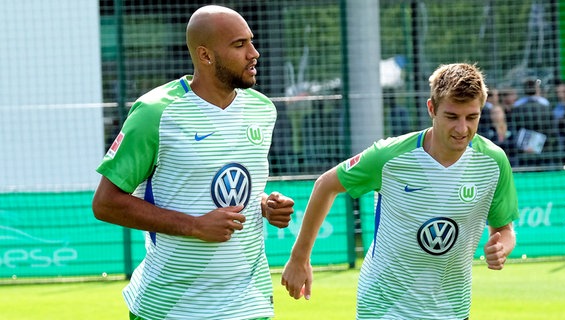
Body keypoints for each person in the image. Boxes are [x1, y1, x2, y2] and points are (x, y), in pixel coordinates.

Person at [92, 5, 295, 320]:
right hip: (171, 307)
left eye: (251, 42)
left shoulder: (263, 110)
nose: (254, 53)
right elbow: (105, 203)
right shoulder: (155, 113)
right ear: (205, 55)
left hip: (249, 304)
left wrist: (266, 204)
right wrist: (195, 226)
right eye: (239, 45)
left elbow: (238, 187)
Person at [281, 63, 518, 319]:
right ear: (432, 109)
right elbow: (326, 185)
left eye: (472, 117)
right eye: (452, 117)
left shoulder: (493, 161)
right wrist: (299, 257)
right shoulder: (389, 156)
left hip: (452, 308)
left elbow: (504, 230)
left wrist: (502, 247)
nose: (462, 129)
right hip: (384, 307)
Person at [509, 78, 559, 167]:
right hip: (544, 149)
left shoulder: (517, 107)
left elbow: (514, 129)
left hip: (523, 150)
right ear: (537, 89)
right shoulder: (546, 107)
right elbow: (552, 130)